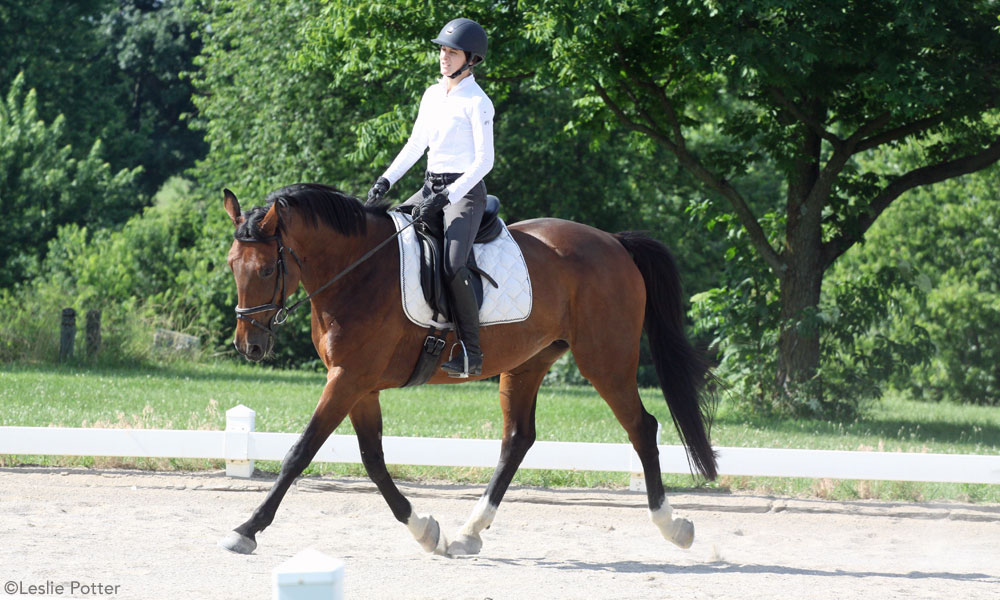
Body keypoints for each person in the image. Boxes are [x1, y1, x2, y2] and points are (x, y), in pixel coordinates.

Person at [366, 17, 494, 378]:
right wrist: (386, 180)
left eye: (452, 52)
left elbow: (485, 162)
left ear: (471, 59)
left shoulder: (478, 102)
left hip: (465, 193)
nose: (444, 56)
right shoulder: (433, 93)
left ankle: (472, 351)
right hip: (429, 186)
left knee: (454, 264)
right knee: (388, 236)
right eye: (442, 50)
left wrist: (449, 195)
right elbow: (415, 144)